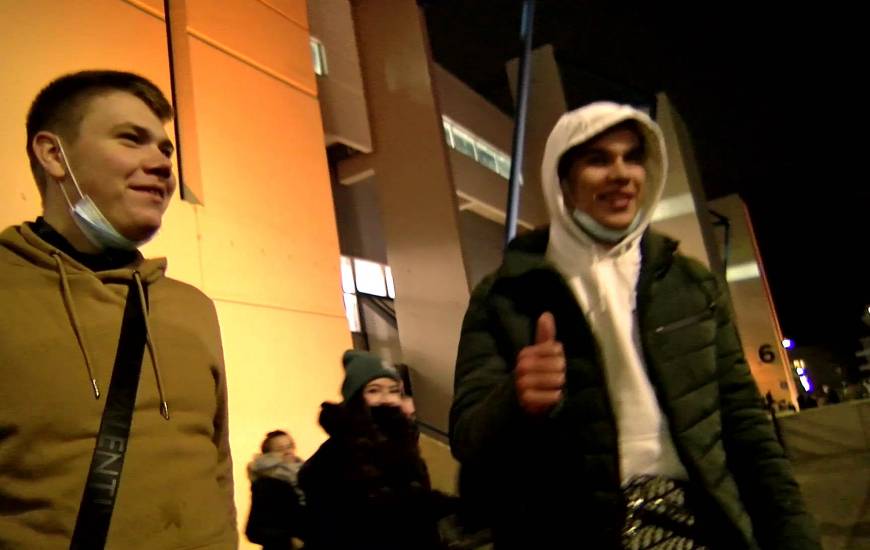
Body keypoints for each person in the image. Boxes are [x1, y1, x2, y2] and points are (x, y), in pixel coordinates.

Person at [449, 102, 820, 549]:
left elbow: (747, 429)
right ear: (562, 181)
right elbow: (468, 438)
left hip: (697, 524)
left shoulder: (690, 283)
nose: (622, 173)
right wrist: (514, 399)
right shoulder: (506, 295)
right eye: (598, 159)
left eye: (633, 157)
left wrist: (794, 536)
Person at [0, 70, 236, 549]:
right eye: (132, 140)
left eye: (166, 150)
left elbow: (219, 470)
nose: (162, 164)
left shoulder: (192, 308)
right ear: (53, 155)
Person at [299, 351, 450, 549]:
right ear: (355, 398)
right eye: (374, 390)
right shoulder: (332, 459)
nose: (386, 399)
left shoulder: (405, 448)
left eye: (394, 390)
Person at [245, 430, 307, 549]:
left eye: (289, 446)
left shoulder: (306, 475)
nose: (288, 452)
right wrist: (290, 540)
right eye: (280, 449)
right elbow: (253, 532)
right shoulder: (265, 484)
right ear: (268, 456)